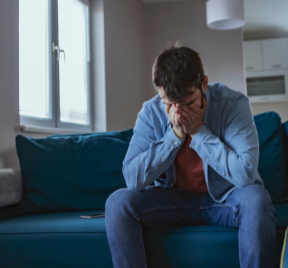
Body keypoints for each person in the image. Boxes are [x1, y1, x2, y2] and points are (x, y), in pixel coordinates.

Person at [105, 42, 277, 268]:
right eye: (169, 104)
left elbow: (245, 174)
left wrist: (198, 132)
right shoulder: (151, 111)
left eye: (188, 103)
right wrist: (174, 136)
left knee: (256, 198)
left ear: (204, 84)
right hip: (173, 200)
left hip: (226, 199)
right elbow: (132, 179)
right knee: (117, 202)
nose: (178, 112)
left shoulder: (233, 104)